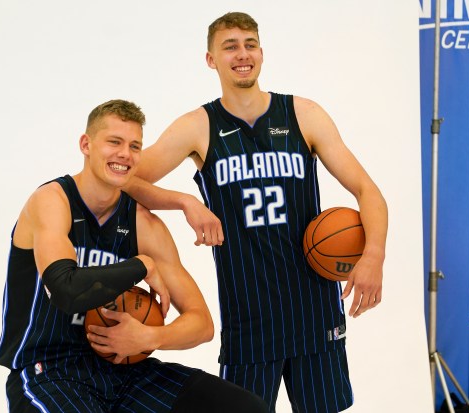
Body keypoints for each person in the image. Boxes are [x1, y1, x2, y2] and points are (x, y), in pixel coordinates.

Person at [124, 12, 388, 413]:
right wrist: (186, 202)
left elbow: (368, 190)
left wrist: (373, 256)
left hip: (314, 314)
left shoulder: (303, 114)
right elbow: (125, 180)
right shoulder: (198, 126)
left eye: (249, 44)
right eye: (229, 46)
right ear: (211, 59)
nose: (241, 54)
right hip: (249, 319)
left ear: (262, 53)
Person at [0, 99, 268, 413]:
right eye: (114, 142)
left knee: (247, 409)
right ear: (86, 144)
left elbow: (201, 323)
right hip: (49, 371)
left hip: (125, 372)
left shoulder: (144, 225)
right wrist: (142, 265)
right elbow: (65, 289)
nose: (124, 154)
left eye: (135, 146)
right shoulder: (52, 202)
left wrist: (147, 337)